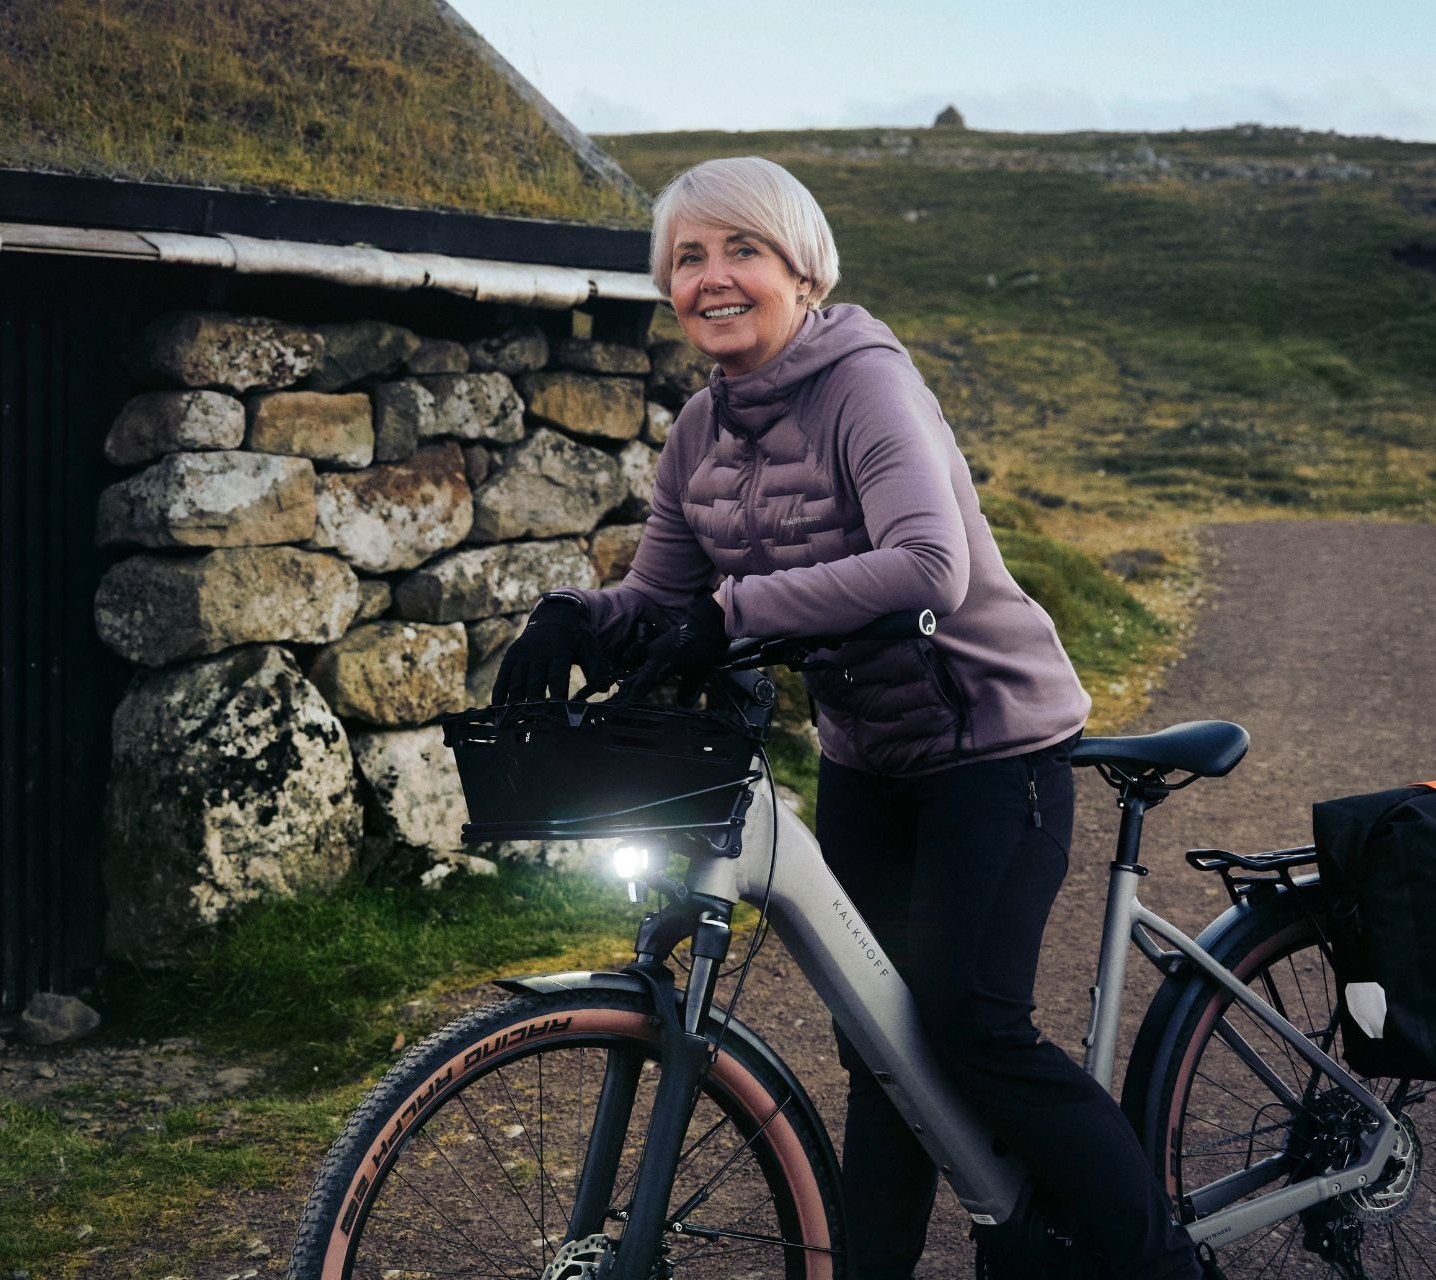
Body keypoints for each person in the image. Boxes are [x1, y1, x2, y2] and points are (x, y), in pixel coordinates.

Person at [494, 157, 1208, 1280]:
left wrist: (728, 614)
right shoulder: (700, 427)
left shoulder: (867, 385)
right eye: (688, 257)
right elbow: (668, 598)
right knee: (880, 1043)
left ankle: (1163, 1263)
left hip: (994, 747)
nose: (713, 277)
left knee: (974, 1024)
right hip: (868, 756)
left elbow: (928, 563)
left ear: (801, 269)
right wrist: (580, 614)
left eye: (744, 252)